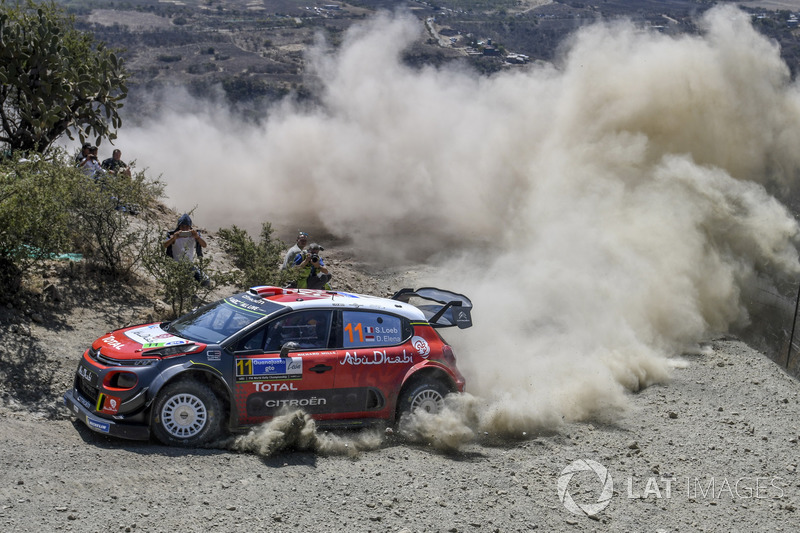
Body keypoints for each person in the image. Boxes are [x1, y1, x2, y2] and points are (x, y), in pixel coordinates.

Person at [162, 213, 209, 286]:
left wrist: (197, 237)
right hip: (176, 266)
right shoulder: (173, 235)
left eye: (187, 226)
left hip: (189, 265)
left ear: (190, 227)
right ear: (179, 226)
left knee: (206, 281)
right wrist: (174, 238)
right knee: (185, 282)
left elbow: (204, 245)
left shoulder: (193, 236)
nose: (184, 229)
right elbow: (165, 245)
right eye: (182, 226)